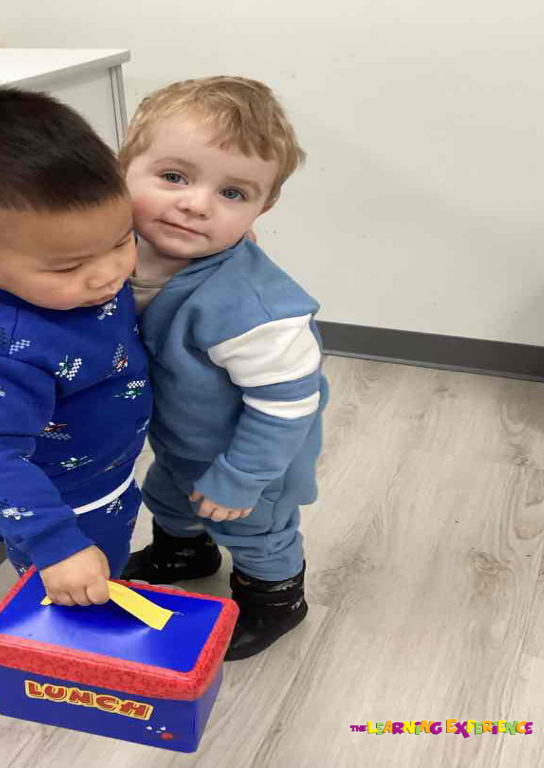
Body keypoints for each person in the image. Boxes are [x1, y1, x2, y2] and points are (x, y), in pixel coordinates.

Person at [0, 83, 151, 608]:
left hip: (107, 471)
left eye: (121, 240)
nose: (109, 275)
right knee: (84, 602)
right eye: (69, 267)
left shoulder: (56, 259)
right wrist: (58, 548)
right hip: (64, 506)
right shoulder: (0, 354)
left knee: (110, 571)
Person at [119, 76, 329, 660]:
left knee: (256, 529)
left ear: (262, 208)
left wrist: (241, 478)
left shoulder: (254, 309)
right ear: (122, 170)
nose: (196, 204)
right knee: (168, 494)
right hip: (182, 439)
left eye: (233, 193)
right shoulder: (119, 248)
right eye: (174, 177)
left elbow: (287, 406)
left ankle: (275, 601)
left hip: (254, 456)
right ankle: (184, 553)